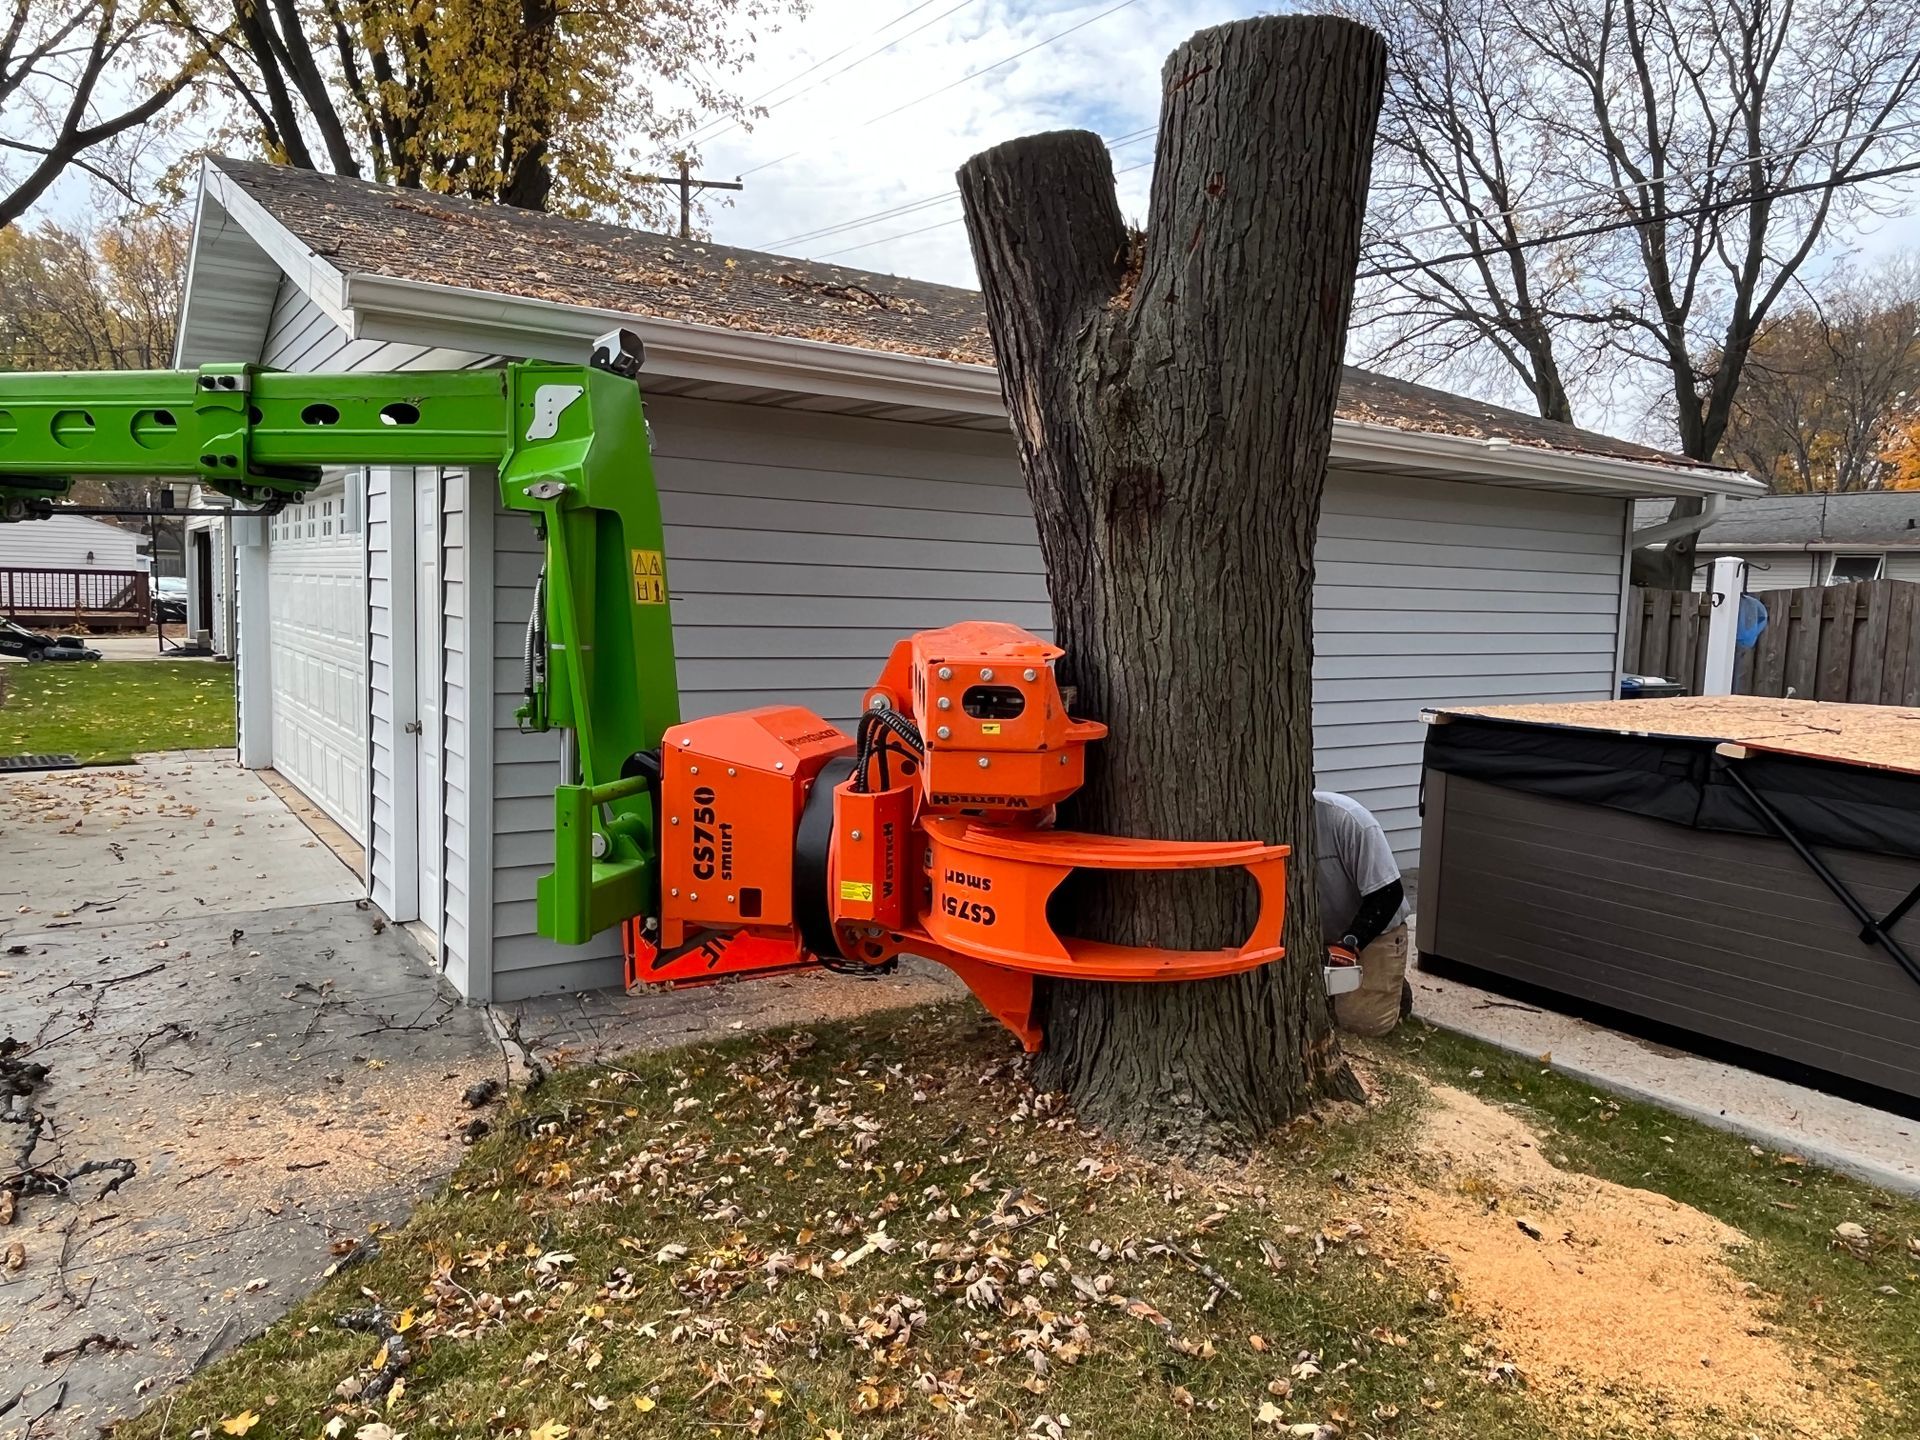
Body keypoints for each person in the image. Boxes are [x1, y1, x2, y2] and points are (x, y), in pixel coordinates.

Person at [1313, 789, 1412, 1036]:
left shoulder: (1349, 819)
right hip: (1315, 935)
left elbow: (1388, 893)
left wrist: (1351, 942)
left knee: (1361, 1025)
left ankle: (1396, 989)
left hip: (1372, 932)